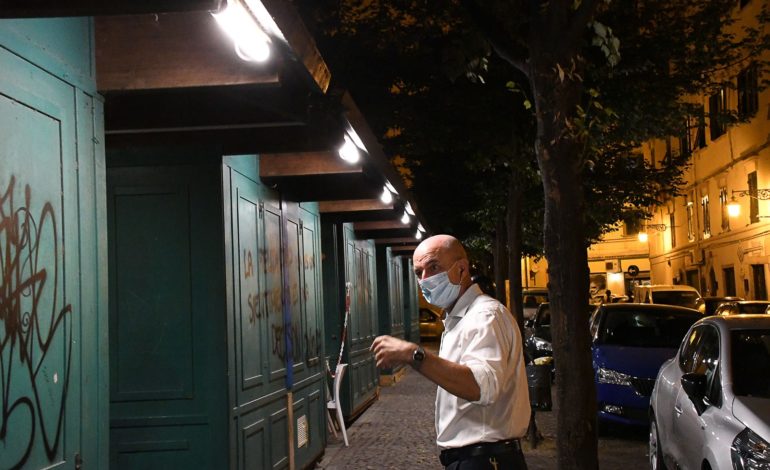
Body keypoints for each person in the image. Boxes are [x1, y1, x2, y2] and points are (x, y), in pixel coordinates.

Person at [371, 234, 530, 470]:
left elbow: (480, 386)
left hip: (486, 460)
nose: (425, 279)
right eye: (418, 272)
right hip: (472, 459)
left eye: (433, 267)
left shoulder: (484, 316)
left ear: (462, 270)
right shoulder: (459, 320)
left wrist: (414, 354)